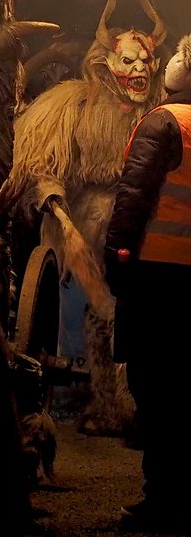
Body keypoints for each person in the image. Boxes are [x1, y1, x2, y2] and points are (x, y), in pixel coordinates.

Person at [104, 34, 191, 530]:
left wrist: (115, 260)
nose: (169, 63)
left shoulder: (162, 121)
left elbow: (132, 198)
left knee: (156, 391)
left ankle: (163, 499)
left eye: (180, 56)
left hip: (157, 280)